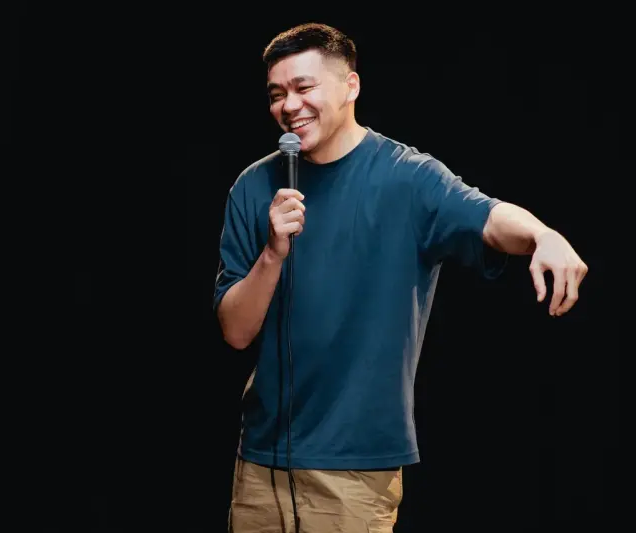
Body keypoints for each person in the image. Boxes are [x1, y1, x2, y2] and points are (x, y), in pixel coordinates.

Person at [213, 23, 588, 533]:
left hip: (354, 469)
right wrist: (273, 253)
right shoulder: (254, 187)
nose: (289, 106)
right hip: (259, 464)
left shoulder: (407, 176)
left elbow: (488, 217)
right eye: (277, 94)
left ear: (351, 86)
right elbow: (235, 331)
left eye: (304, 88)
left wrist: (543, 235)